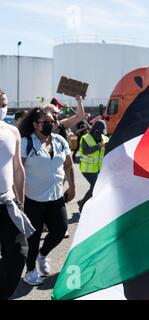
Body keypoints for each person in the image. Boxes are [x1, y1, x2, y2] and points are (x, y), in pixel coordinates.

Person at [18, 107, 76, 286]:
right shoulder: (26, 143)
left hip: (55, 196)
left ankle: (43, 255)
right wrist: (18, 197)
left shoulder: (59, 140)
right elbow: (18, 170)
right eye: (46, 122)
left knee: (60, 230)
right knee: (33, 238)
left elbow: (68, 165)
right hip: (32, 198)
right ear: (35, 124)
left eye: (52, 121)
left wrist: (72, 187)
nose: (50, 125)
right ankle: (30, 271)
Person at [0, 90, 33, 300]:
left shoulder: (12, 131)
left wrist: (20, 203)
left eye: (3, 103)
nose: (1, 107)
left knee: (18, 252)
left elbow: (18, 170)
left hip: (7, 203)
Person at [77, 120, 109, 212]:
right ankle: (83, 204)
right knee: (95, 186)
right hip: (87, 169)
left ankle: (83, 201)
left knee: (97, 187)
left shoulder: (104, 138)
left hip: (98, 168)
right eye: (100, 133)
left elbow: (107, 150)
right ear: (95, 131)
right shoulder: (85, 138)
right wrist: (99, 146)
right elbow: (86, 151)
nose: (102, 135)